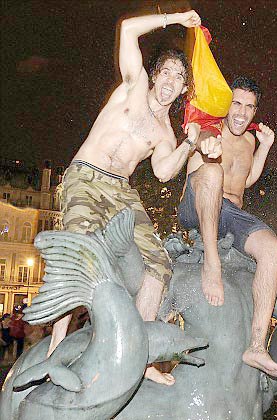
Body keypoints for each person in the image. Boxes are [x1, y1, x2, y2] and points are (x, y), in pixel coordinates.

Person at [50, 10, 211, 386]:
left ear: (184, 89)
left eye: (180, 78)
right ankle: (57, 349)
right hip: (86, 177)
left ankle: (139, 355)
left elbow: (163, 172)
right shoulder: (133, 83)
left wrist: (190, 141)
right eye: (167, 72)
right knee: (80, 251)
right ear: (155, 74)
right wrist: (175, 18)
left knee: (159, 265)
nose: (171, 81)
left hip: (121, 191)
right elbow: (127, 28)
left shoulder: (165, 132)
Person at [178, 76, 277, 378]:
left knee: (273, 248)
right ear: (226, 105)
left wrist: (265, 147)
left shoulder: (250, 140)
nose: (241, 112)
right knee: (212, 173)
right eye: (236, 103)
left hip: (231, 213)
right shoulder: (211, 128)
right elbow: (200, 139)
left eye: (249, 107)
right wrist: (204, 143)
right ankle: (211, 265)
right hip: (197, 203)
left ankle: (256, 345)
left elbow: (245, 180)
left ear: (255, 112)